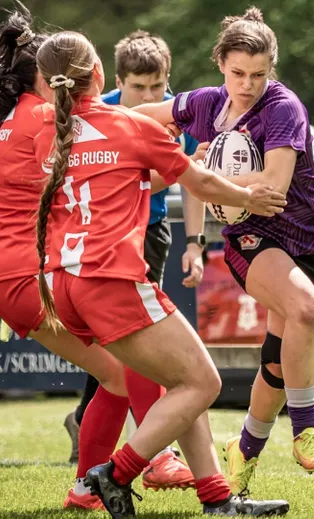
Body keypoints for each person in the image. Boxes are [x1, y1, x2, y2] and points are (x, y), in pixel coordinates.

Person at [32, 30, 291, 518]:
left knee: (178, 380)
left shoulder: (49, 129)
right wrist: (250, 197)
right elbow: (197, 180)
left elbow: (133, 178)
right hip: (110, 280)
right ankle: (114, 473)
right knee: (203, 383)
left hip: (60, 282)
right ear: (104, 77)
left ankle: (217, 499)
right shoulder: (129, 127)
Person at [0, 4, 184, 511]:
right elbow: (118, 125)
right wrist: (192, 109)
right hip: (33, 280)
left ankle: (87, 488)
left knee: (116, 372)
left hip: (13, 281)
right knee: (134, 362)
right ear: (42, 81)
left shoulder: (23, 120)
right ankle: (155, 460)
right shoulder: (44, 118)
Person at [133, 6, 314, 495]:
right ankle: (306, 430)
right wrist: (98, 124)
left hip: (309, 240)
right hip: (253, 238)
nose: (246, 85)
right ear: (220, 64)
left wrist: (201, 178)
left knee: (275, 361)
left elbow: (274, 186)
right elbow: (142, 113)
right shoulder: (207, 103)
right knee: (305, 309)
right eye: (237, 74)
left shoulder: (283, 107)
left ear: (273, 68)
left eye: (258, 75)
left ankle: (243, 453)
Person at [63, 29, 207, 493]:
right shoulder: (95, 114)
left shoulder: (178, 115)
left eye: (157, 87)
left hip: (151, 233)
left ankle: (93, 440)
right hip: (102, 240)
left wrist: (196, 243)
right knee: (129, 354)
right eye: (138, 87)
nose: (148, 96)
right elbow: (143, 180)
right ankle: (153, 455)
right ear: (116, 81)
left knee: (129, 353)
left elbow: (191, 180)